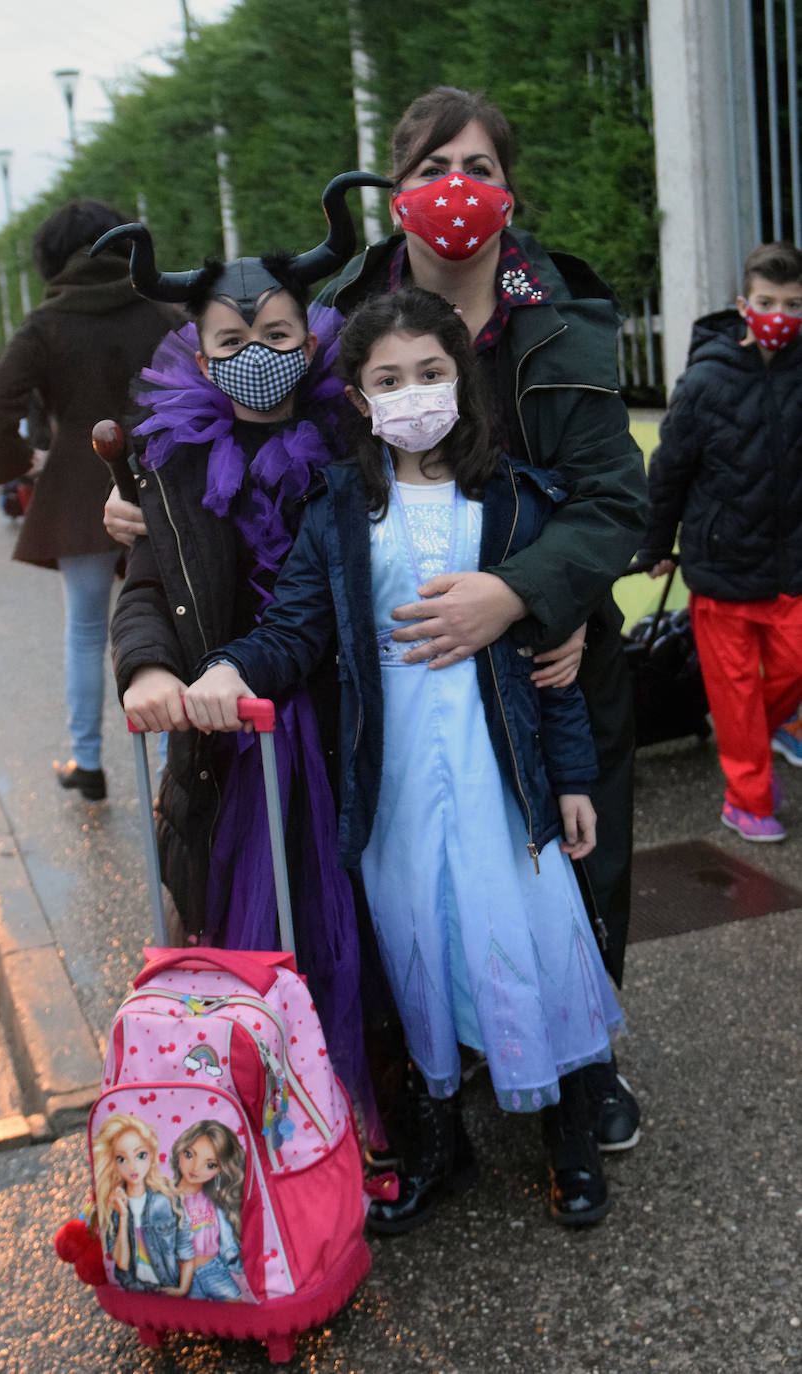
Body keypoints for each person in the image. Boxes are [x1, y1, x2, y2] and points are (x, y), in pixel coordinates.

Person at [104, 87, 646, 1148]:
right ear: (394, 192)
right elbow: (254, 416)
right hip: (381, 669)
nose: (457, 190)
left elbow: (610, 499)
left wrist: (529, 596)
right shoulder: (338, 313)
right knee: (404, 879)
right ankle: (429, 1090)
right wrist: (149, 504)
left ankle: (577, 1072)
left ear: (510, 187)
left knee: (558, 865)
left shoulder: (561, 317)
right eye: (432, 168)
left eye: (480, 168)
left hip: (539, 641)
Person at [184, 288, 626, 1231]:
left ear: (462, 380)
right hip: (393, 792)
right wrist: (227, 665)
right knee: (419, 953)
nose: (413, 392)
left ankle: (570, 1138)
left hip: (502, 782)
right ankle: (438, 1146)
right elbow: (295, 624)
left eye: (431, 373)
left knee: (534, 940)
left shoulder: (511, 499)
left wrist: (575, 776)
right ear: (357, 399)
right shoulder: (340, 508)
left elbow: (547, 664)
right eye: (388, 379)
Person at [101, 175, 388, 1146]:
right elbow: (147, 581)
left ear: (308, 335)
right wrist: (145, 670)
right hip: (231, 730)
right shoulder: (173, 466)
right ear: (200, 351)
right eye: (231, 343)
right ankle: (265, 1098)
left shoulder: (362, 435)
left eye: (275, 335)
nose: (256, 357)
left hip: (347, 709)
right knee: (255, 915)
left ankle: (372, 1104)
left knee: (361, 918)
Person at [0, 198, 177, 801]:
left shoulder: (47, 322)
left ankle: (87, 761)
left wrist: (21, 465)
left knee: (86, 630)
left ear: (50, 258)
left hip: (72, 489)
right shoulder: (161, 311)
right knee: (169, 625)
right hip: (159, 486)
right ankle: (173, 772)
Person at [638, 240, 802, 842]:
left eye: (793, 303)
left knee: (793, 667)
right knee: (732, 693)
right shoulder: (706, 379)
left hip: (792, 567)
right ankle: (747, 799)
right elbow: (670, 470)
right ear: (743, 303)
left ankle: (774, 730)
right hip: (721, 566)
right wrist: (655, 545)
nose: (779, 314)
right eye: (767, 301)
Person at [92, 1112, 194, 1294]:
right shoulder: (114, 1204)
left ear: (152, 1154)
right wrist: (123, 1215)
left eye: (140, 1155)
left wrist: (182, 1289)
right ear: (113, 1163)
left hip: (168, 1287)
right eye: (121, 1159)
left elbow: (185, 1248)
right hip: (133, 1289)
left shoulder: (167, 1198)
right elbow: (122, 1263)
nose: (133, 1167)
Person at [170, 1121, 245, 1301]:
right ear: (179, 1149)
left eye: (210, 1165)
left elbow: (228, 1245)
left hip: (215, 1269)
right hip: (179, 1275)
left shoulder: (215, 1200)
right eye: (189, 1155)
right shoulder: (164, 1199)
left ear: (221, 1169)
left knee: (237, 1310)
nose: (195, 1168)